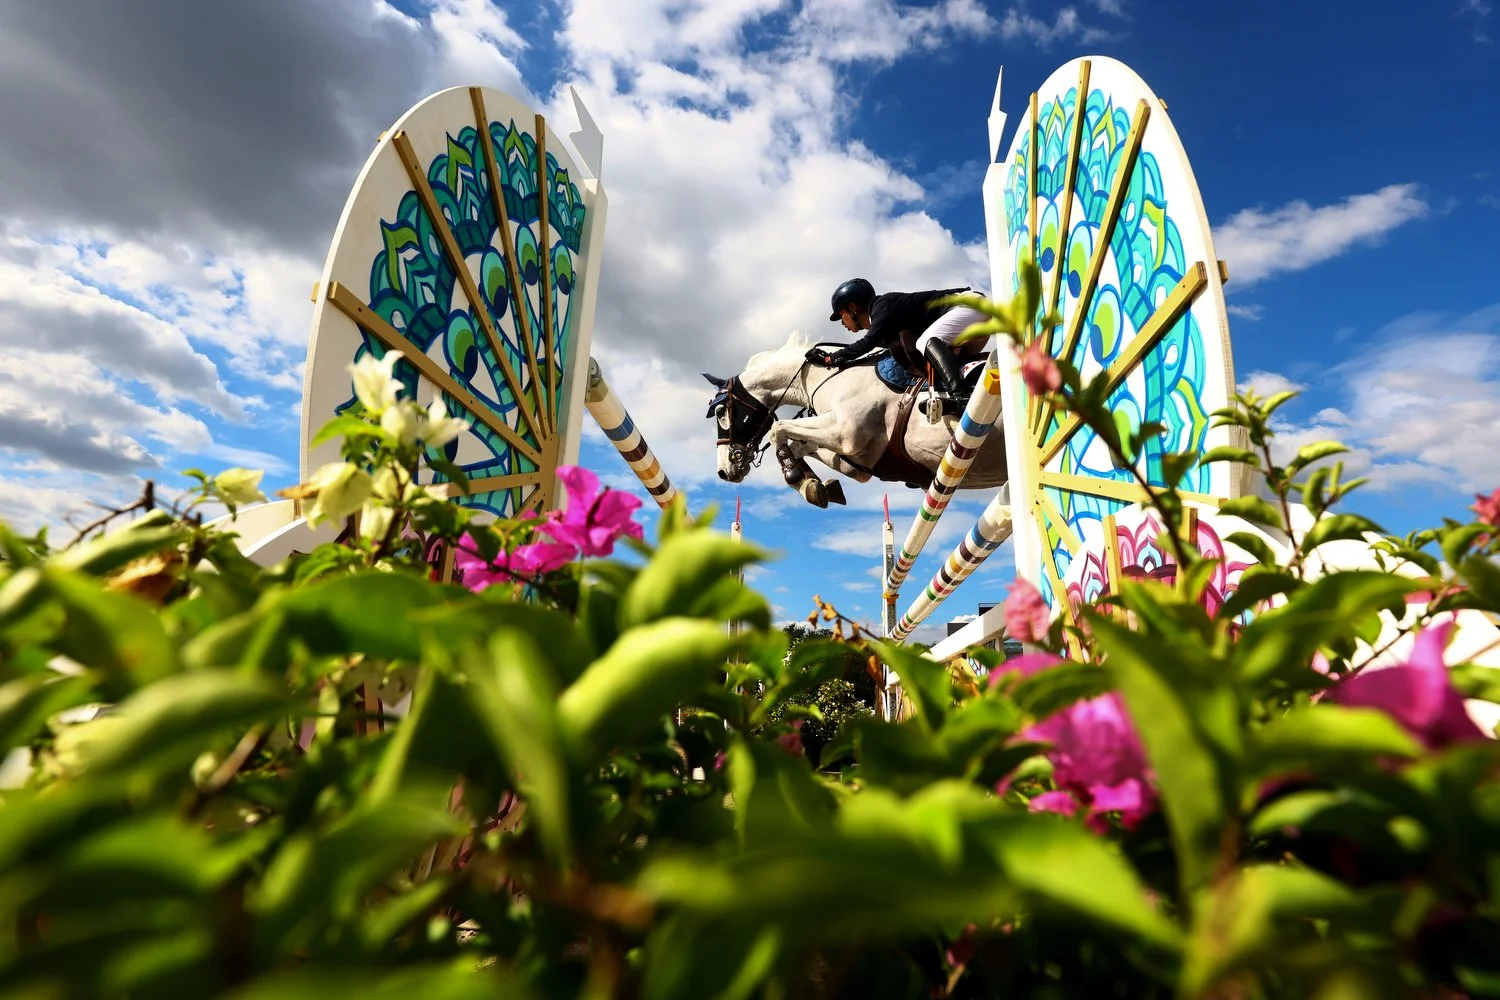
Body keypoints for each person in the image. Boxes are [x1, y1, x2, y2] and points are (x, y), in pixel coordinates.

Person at [807, 278, 988, 399]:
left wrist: (831, 358)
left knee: (925, 341)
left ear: (853, 307)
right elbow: (874, 344)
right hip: (972, 323)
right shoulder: (884, 322)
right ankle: (971, 391)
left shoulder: (882, 305)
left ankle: (960, 395)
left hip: (967, 306)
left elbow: (867, 343)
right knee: (951, 363)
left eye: (841, 315)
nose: (842, 323)